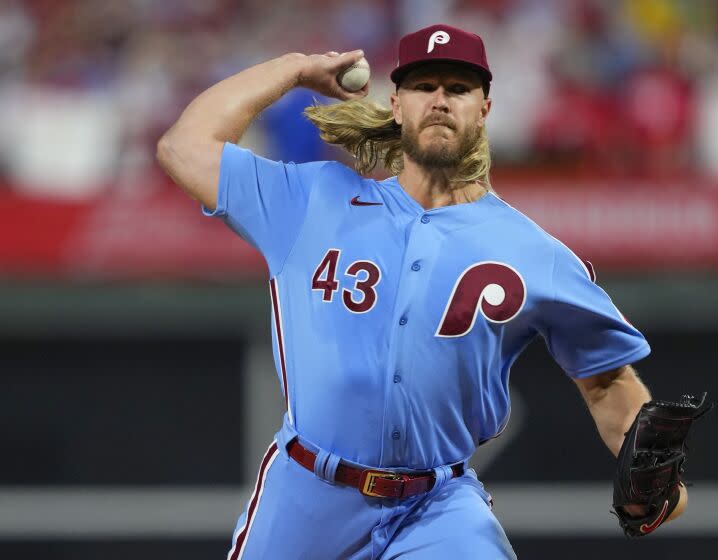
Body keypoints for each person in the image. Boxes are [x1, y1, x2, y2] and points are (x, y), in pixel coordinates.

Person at [157, 23, 686, 560]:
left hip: (437, 506)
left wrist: (657, 477)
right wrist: (294, 68)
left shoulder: (533, 252)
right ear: (396, 105)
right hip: (306, 493)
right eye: (423, 86)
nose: (439, 100)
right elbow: (183, 147)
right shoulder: (311, 199)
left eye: (457, 88)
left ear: (484, 109)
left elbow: (606, 382)